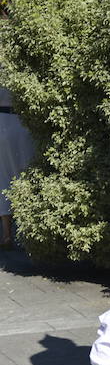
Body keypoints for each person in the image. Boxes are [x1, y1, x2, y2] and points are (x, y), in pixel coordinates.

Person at [0, 87, 34, 249]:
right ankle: (29, 233)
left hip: (3, 123)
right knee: (24, 175)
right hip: (24, 123)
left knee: (4, 178)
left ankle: (7, 234)